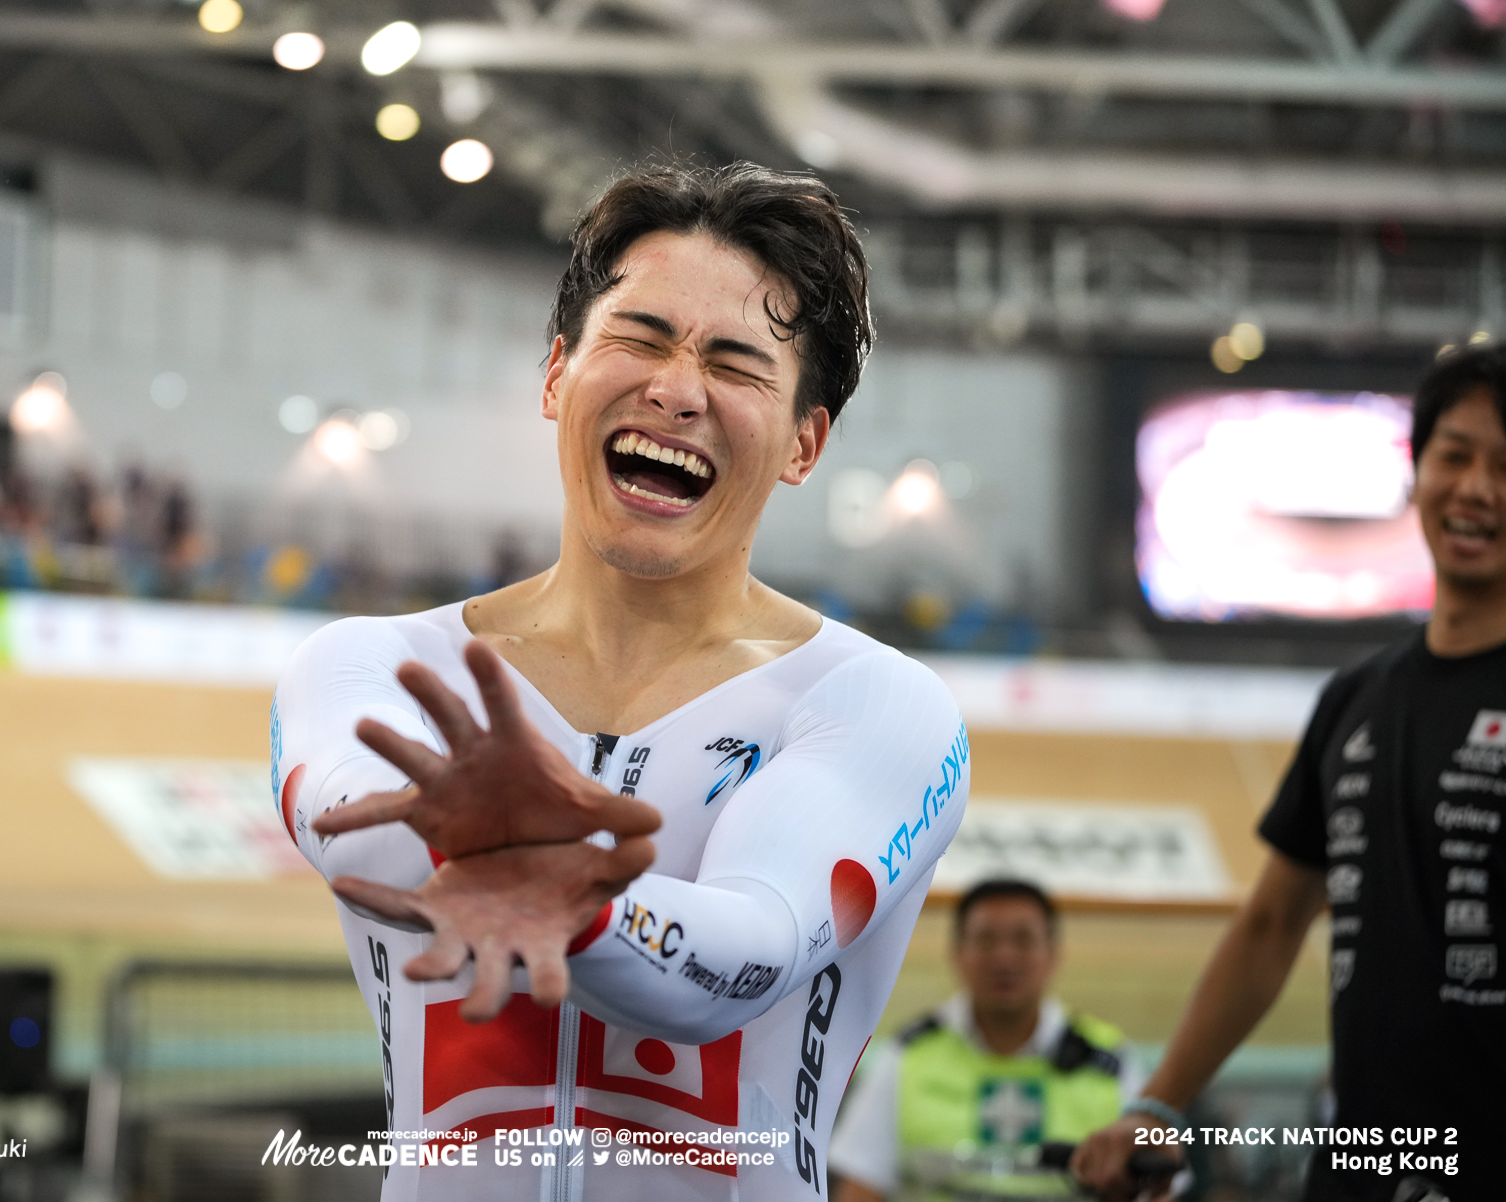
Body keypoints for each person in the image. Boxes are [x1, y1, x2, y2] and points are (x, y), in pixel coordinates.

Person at [271, 162, 972, 1201]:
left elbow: (753, 946)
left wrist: (577, 898)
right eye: (639, 337)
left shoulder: (873, 703)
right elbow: (350, 823)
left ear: (802, 443)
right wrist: (510, 847)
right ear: (556, 374)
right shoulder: (368, 663)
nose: (676, 389)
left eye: (734, 363)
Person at [1074, 343, 1506, 1202]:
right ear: (1415, 474)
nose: (1477, 488)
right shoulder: (1356, 699)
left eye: (1505, 466)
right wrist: (1159, 1104)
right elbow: (1271, 923)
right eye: (1454, 455)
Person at [827, 879, 1139, 1201]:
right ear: (957, 953)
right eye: (986, 940)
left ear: (1053, 953)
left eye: (1023, 940)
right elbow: (860, 1186)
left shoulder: (1110, 1063)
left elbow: (1155, 1191)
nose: (1004, 958)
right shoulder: (908, 1054)